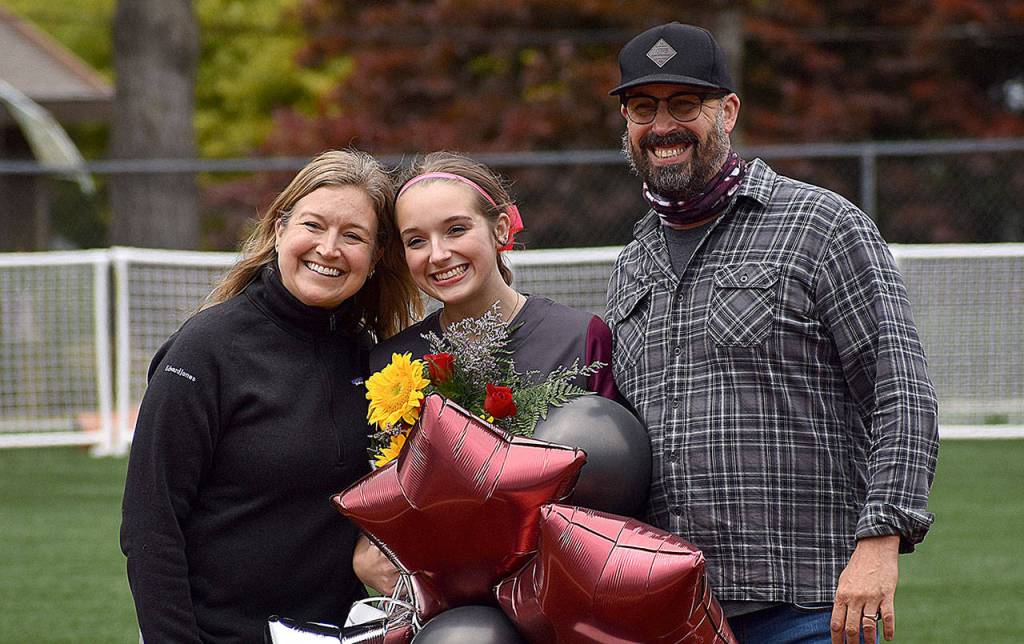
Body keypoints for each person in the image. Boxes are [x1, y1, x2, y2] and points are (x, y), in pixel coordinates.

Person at [605, 23, 940, 644]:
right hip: (676, 613)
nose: (662, 126)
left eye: (685, 105)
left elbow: (902, 394)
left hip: (812, 605)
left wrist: (880, 543)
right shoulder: (633, 262)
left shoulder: (822, 225)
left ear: (728, 111)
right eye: (643, 108)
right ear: (626, 123)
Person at [120, 149, 420, 643]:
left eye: (353, 235)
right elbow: (151, 525)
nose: (329, 248)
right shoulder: (205, 349)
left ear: (375, 257)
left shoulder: (369, 358)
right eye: (313, 225)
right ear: (279, 229)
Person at [354, 151, 620, 593]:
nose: (438, 254)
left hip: (565, 588)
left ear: (500, 229)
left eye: (456, 229)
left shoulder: (580, 337)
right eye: (416, 240)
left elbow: (616, 481)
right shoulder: (390, 366)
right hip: (452, 598)